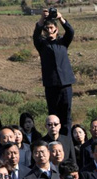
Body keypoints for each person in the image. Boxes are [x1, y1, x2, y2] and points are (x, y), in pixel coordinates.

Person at [33, 8, 75, 136]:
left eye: (51, 28)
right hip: (51, 85)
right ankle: (54, 138)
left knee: (66, 114)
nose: (49, 30)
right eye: (47, 29)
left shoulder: (63, 42)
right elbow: (36, 33)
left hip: (65, 84)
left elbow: (70, 31)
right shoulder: (42, 45)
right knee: (53, 115)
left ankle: (67, 139)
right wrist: (42, 18)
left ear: (56, 29)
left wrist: (60, 18)